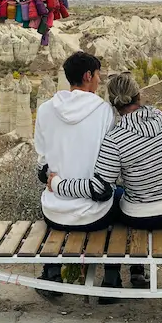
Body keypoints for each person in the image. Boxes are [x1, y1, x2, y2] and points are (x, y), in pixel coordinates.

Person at [48, 72, 162, 289]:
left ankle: (133, 269)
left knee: (115, 198)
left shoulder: (115, 139)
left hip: (144, 217)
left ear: (114, 105)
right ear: (139, 95)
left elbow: (99, 188)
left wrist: (58, 184)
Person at [34, 51, 119, 297]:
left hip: (54, 212)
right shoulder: (104, 111)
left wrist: (57, 182)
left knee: (49, 193)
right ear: (87, 75)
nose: (99, 81)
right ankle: (111, 282)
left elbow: (42, 166)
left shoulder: (45, 110)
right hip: (96, 213)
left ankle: (51, 274)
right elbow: (111, 165)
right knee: (120, 199)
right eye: (98, 76)